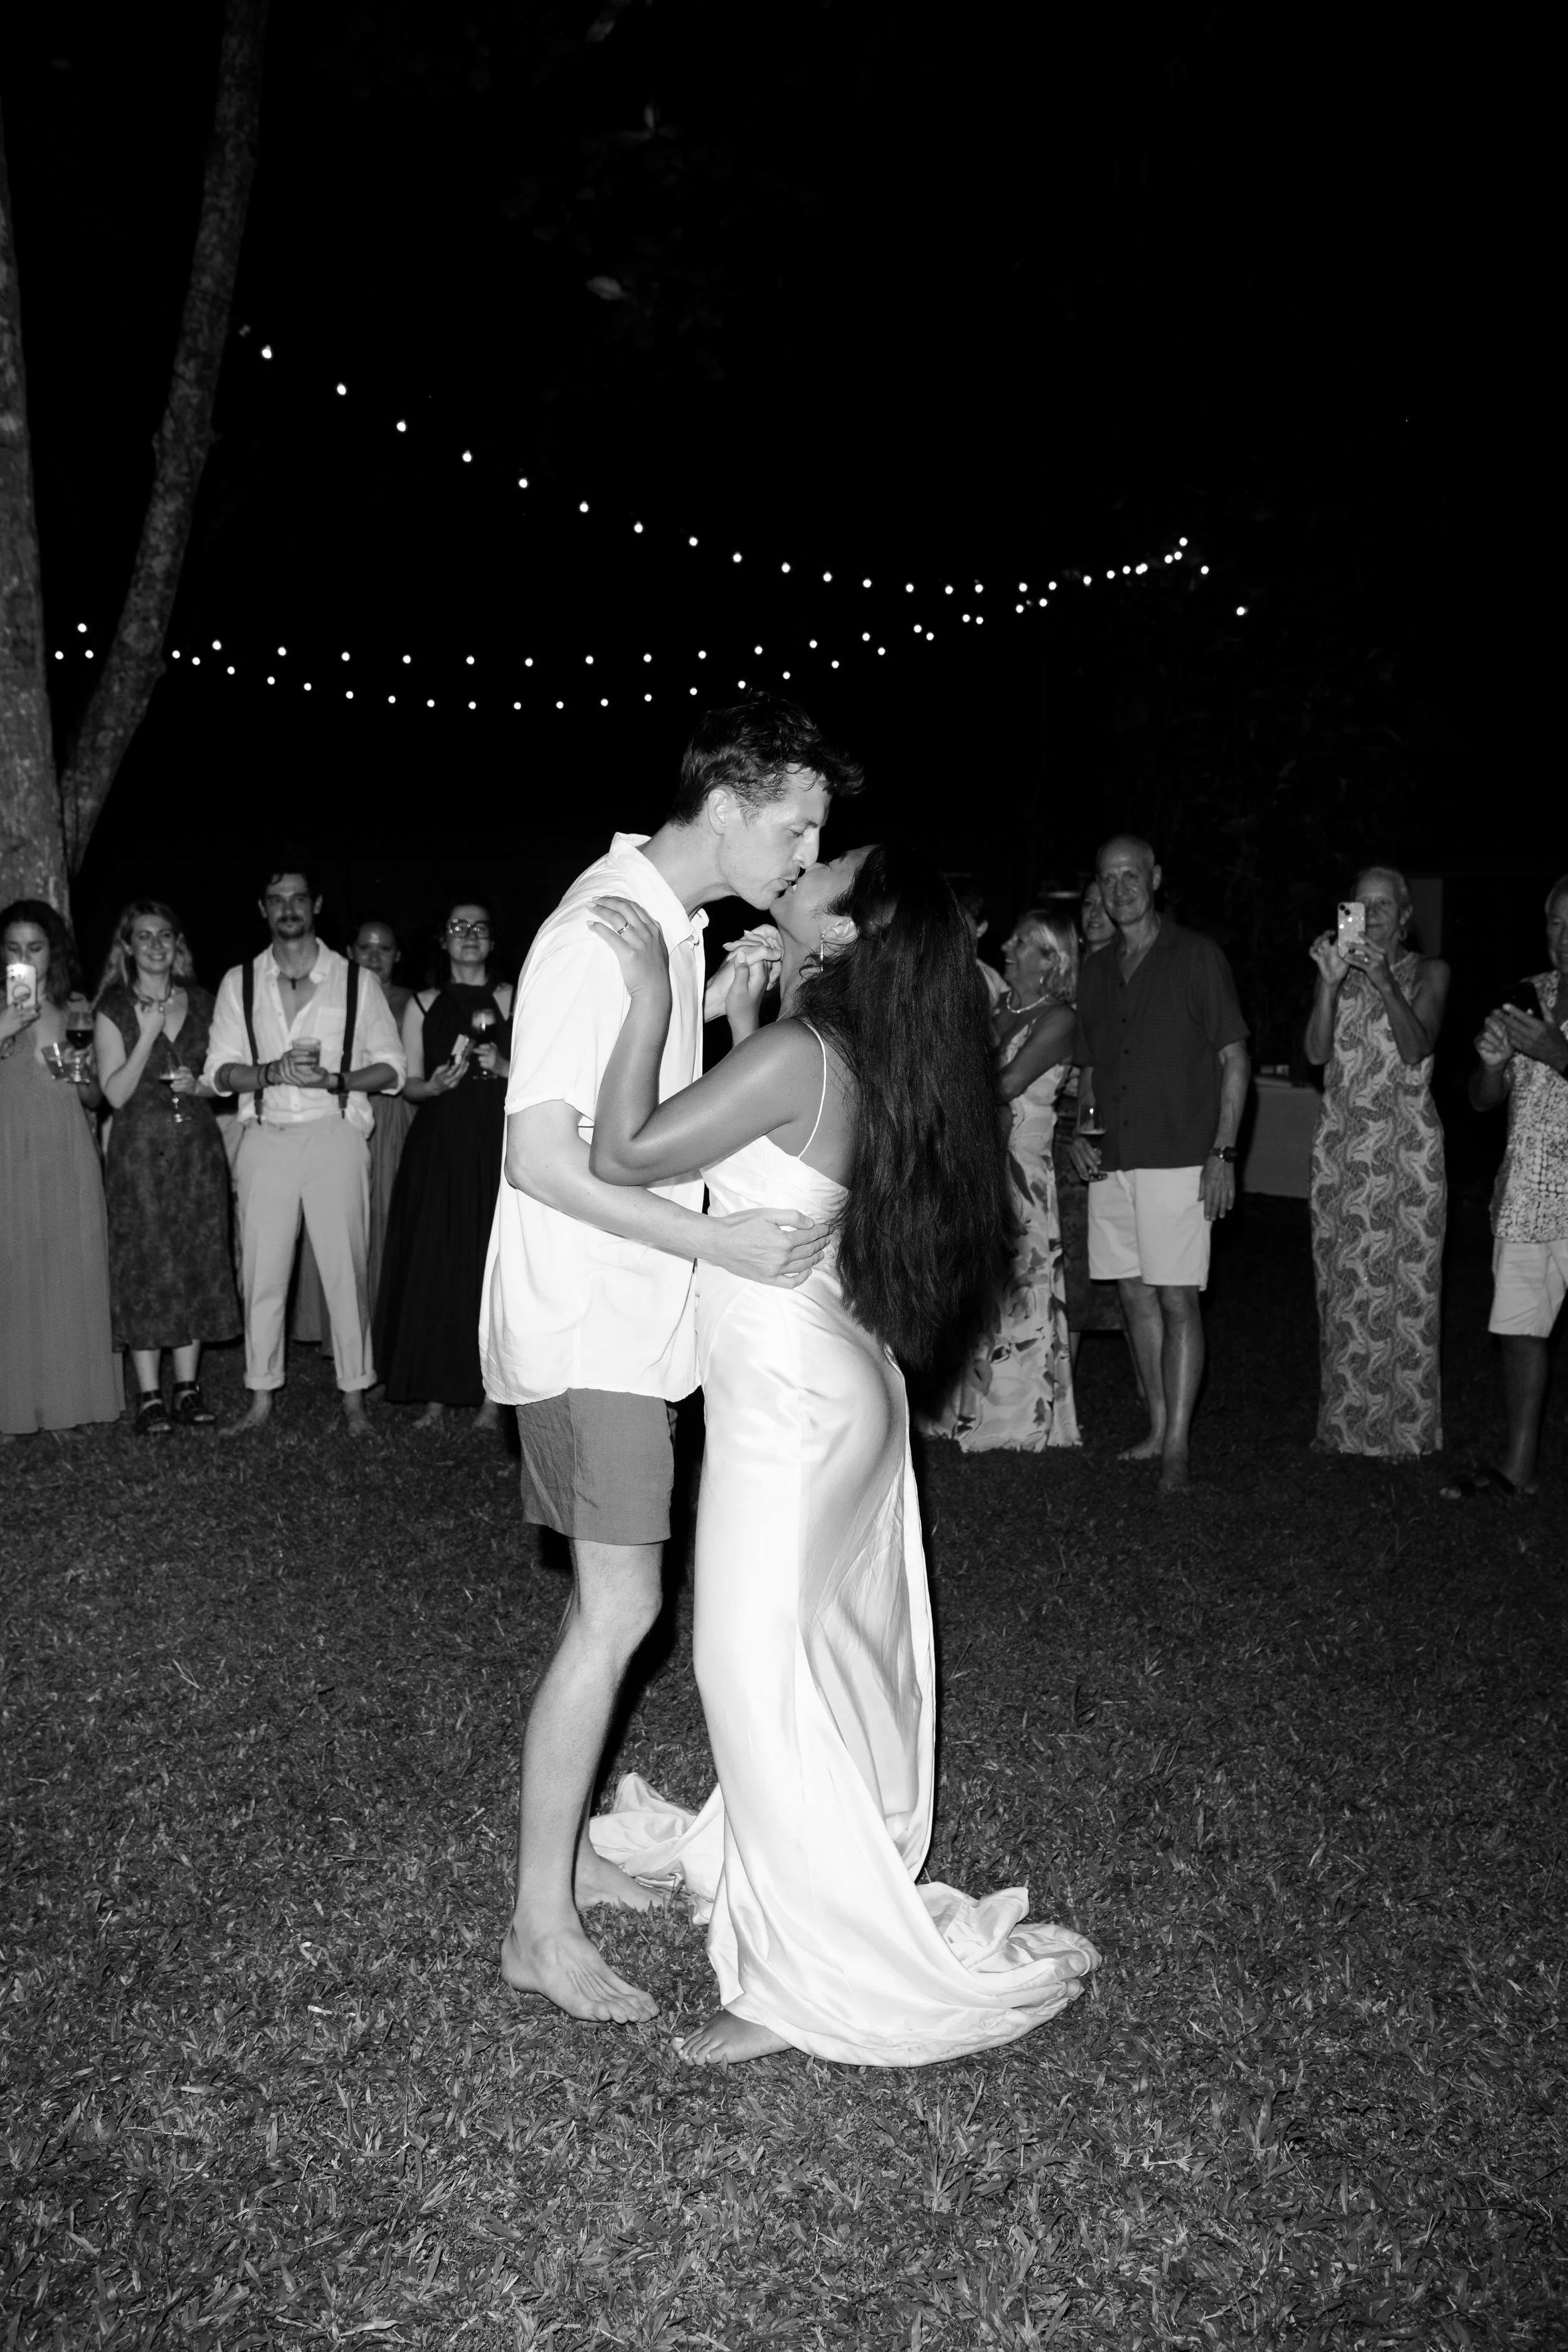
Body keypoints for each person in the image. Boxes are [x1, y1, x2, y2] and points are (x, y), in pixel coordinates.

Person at [583, 845, 1100, 2065]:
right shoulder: (865, 1054)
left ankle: (794, 1982)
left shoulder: (797, 1058)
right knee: (821, 1659)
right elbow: (756, 1154)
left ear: (848, 937)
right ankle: (818, 1858)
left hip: (790, 1403)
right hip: (841, 1385)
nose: (803, 868)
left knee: (747, 1670)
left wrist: (654, 1006)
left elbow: (622, 1156)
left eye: (829, 877)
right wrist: (739, 1014)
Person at [485, 695, 861, 2026]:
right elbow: (540, 1155)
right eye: (796, 823)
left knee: (621, 1605)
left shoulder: (672, 927)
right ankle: (538, 1923)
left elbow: (628, 1112)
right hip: (591, 1321)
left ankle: (573, 1852)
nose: (809, 852)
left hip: (632, 1323)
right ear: (726, 803)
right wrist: (722, 1247)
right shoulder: (601, 930)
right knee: (620, 1610)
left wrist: (710, 1004)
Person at [1071, 837, 1250, 1493]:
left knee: (1176, 1299)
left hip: (1179, 1158)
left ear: (1154, 879)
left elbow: (1235, 1059)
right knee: (1133, 1296)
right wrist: (1079, 1131)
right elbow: (1090, 1069)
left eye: (1130, 876)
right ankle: (1154, 1428)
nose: (1119, 889)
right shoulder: (1093, 972)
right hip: (1113, 1160)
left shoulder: (1195, 957)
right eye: (1107, 878)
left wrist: (1223, 1153)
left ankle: (1177, 1445)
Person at [203, 866, 406, 1437]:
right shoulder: (239, 982)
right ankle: (261, 1395)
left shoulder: (354, 981)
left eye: (298, 898)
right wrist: (268, 1071)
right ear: (262, 909)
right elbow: (218, 1072)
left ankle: (354, 1396)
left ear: (315, 905)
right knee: (262, 1273)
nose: (288, 908)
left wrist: (336, 1081)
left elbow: (393, 1068)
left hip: (335, 1132)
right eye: (276, 900)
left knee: (345, 1267)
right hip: (265, 1136)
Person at [1305, 866, 1449, 1459]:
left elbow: (1417, 1047)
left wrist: (1385, 980)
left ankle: (1406, 1432)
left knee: (1408, 1291)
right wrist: (1328, 985)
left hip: (1408, 1152)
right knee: (1343, 1290)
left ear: (1406, 914)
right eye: (1362, 904)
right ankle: (1342, 1429)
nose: (1373, 914)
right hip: (1343, 1150)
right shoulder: (1339, 974)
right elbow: (1316, 1052)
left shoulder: (1428, 972)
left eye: (1384, 904)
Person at [925, 905, 1080, 1449]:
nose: (1007, 949)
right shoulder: (998, 1009)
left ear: (1050, 958)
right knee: (974, 1291)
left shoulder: (1058, 1018)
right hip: (979, 1161)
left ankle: (1017, 1420)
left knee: (1019, 1291)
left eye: (1021, 943)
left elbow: (1007, 1082)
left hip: (1021, 1172)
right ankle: (962, 1412)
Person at [1443, 874, 1568, 1500]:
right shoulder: (1529, 995)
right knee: (1520, 1330)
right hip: (1525, 1194)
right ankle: (1518, 1468)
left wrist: (1560, 1054)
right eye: (1554, 924)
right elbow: (1480, 1099)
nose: (1564, 939)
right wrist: (1493, 1067)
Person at [93, 901, 239, 1433]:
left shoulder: (204, 1001)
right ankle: (150, 1394)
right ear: (127, 946)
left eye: (164, 936)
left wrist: (200, 1083)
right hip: (138, 1153)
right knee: (146, 1264)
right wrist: (149, 1033)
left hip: (198, 1152)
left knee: (196, 1257)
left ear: (177, 943)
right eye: (143, 936)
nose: (155, 945)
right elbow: (113, 1091)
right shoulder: (112, 1007)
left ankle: (187, 1385)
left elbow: (222, 1075)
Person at [374, 900, 511, 1427]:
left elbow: (545, 1073)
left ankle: (491, 1397)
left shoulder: (512, 995)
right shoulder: (424, 1004)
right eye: (459, 927)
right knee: (436, 1260)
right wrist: (428, 1086)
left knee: (487, 1260)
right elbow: (408, 1083)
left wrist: (502, 1065)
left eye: (480, 927)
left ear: (492, 941)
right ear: (444, 940)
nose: (469, 935)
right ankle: (433, 1389)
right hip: (438, 1141)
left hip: (492, 1140)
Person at [1, 900, 120, 1438]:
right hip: (8, 1148)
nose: (25, 957)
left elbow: (95, 1100)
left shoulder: (74, 1008)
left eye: (35, 947)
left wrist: (83, 1074)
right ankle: (11, 1406)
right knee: (13, 1273)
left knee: (65, 1271)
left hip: (64, 1147)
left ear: (54, 952)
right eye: (13, 948)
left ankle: (63, 1399)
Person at [291, 918, 415, 1349]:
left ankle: (382, 1333)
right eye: (366, 948)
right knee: (338, 1229)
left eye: (385, 949)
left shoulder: (411, 1002)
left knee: (384, 1223)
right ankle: (338, 1335)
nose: (375, 957)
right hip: (340, 1114)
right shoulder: (337, 999)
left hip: (394, 1119)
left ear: (398, 956)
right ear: (350, 952)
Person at [1054, 878, 1125, 1357]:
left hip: (1108, 1121)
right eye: (1087, 902)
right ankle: (1063, 1385)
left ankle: (1149, 1385)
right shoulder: (1065, 971)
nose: (1095, 912)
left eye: (1105, 904)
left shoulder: (1128, 969)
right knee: (1068, 1248)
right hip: (1057, 1119)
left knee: (1117, 1253)